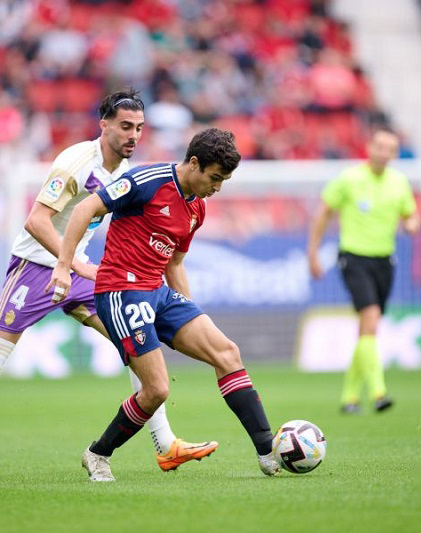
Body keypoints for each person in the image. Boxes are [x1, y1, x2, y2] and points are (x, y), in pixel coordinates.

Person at [0, 89, 218, 482]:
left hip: (80, 272)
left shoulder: (127, 172)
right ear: (104, 125)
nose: (133, 135)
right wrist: (71, 263)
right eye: (125, 127)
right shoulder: (77, 162)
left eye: (139, 128)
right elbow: (36, 220)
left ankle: (165, 444)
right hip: (36, 266)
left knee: (135, 344)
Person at [48, 128, 281, 482]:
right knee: (157, 390)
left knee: (227, 353)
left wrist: (187, 309)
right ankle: (98, 454)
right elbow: (85, 208)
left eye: (224, 181)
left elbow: (174, 263)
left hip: (158, 292)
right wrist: (64, 266)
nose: (217, 188)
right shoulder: (147, 180)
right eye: (215, 178)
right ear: (194, 163)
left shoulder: (197, 208)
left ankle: (268, 451)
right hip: (120, 291)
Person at [307, 126, 420, 414]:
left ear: (395, 154)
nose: (384, 153)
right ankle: (379, 391)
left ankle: (349, 397)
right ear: (369, 148)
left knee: (367, 328)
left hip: (385, 261)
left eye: (390, 149)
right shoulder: (349, 178)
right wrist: (313, 253)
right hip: (354, 258)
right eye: (379, 147)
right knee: (370, 318)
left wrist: (411, 224)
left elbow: (411, 216)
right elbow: (323, 212)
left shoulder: (399, 183)